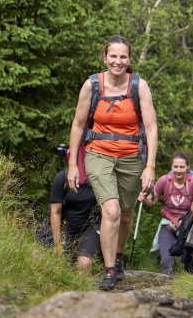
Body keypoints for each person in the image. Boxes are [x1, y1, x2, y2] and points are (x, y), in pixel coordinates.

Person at [67, 35, 158, 290]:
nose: (117, 61)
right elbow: (77, 125)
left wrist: (150, 166)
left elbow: (151, 128)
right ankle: (108, 270)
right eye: (113, 56)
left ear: (129, 59)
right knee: (112, 210)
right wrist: (74, 165)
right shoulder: (92, 85)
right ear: (104, 57)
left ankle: (117, 258)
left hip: (131, 156)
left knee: (126, 215)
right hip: (98, 153)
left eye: (123, 57)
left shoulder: (139, 86)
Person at [137, 152, 193, 275]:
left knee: (191, 265)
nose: (178, 170)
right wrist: (144, 197)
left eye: (182, 167)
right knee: (166, 262)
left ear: (188, 167)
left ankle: (189, 284)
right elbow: (152, 201)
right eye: (175, 167)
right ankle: (165, 283)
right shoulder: (165, 181)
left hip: (189, 226)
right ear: (171, 166)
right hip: (168, 225)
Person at [49, 167, 101, 274]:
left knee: (84, 264)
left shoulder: (101, 178)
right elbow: (55, 212)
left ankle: (81, 290)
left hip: (90, 227)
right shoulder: (63, 177)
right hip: (65, 226)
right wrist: (57, 244)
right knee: (58, 264)